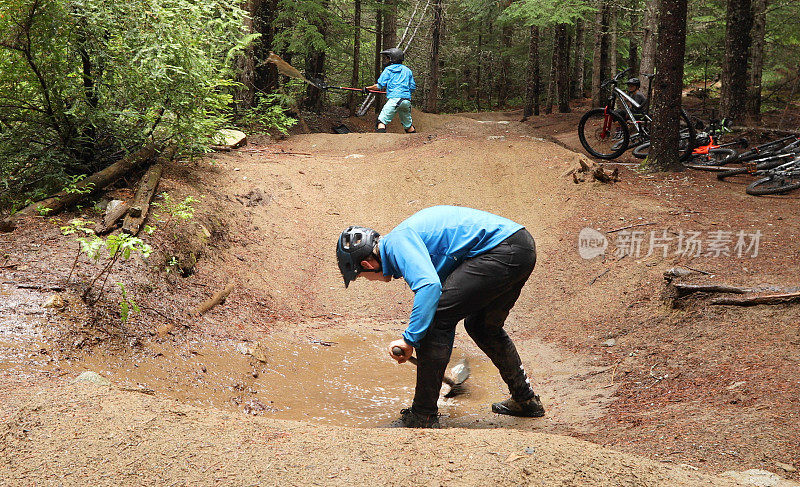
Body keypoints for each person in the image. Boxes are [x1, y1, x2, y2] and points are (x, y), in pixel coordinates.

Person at [336, 205, 545, 428]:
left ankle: (422, 415)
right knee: (482, 326)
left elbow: (429, 287)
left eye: (361, 276)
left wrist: (410, 339)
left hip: (502, 249)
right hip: (520, 247)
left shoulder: (398, 243)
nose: (367, 280)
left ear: (367, 265)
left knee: (434, 319)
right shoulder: (402, 243)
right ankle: (525, 400)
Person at [364, 47, 416, 134]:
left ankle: (380, 143)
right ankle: (416, 143)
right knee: (408, 125)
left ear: (392, 59)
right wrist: (403, 93)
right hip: (406, 100)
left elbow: (379, 86)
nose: (386, 60)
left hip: (394, 100)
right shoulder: (408, 70)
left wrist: (366, 89)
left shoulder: (388, 70)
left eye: (387, 58)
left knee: (381, 121)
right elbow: (412, 87)